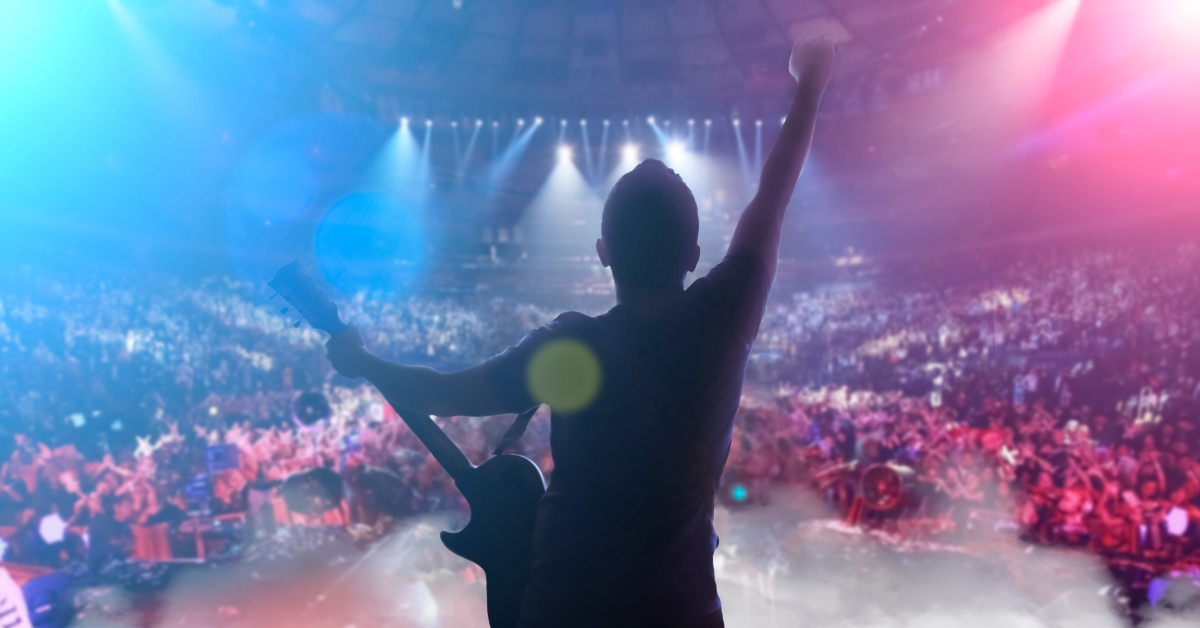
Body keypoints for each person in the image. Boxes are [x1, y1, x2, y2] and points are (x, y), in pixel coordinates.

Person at [324, 37, 835, 628]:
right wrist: (811, 85)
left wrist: (365, 361)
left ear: (602, 254)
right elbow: (772, 198)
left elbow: (442, 394)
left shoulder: (568, 349)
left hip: (564, 610)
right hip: (683, 610)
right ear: (694, 255)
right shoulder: (722, 322)